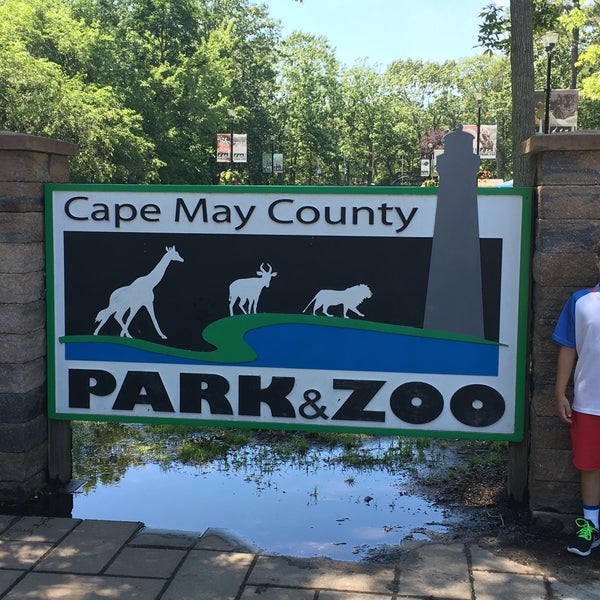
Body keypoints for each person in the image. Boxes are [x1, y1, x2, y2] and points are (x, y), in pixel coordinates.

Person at [553, 241, 600, 556]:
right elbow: (568, 347)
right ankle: (590, 529)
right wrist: (559, 390)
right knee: (589, 466)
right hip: (588, 402)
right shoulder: (581, 301)